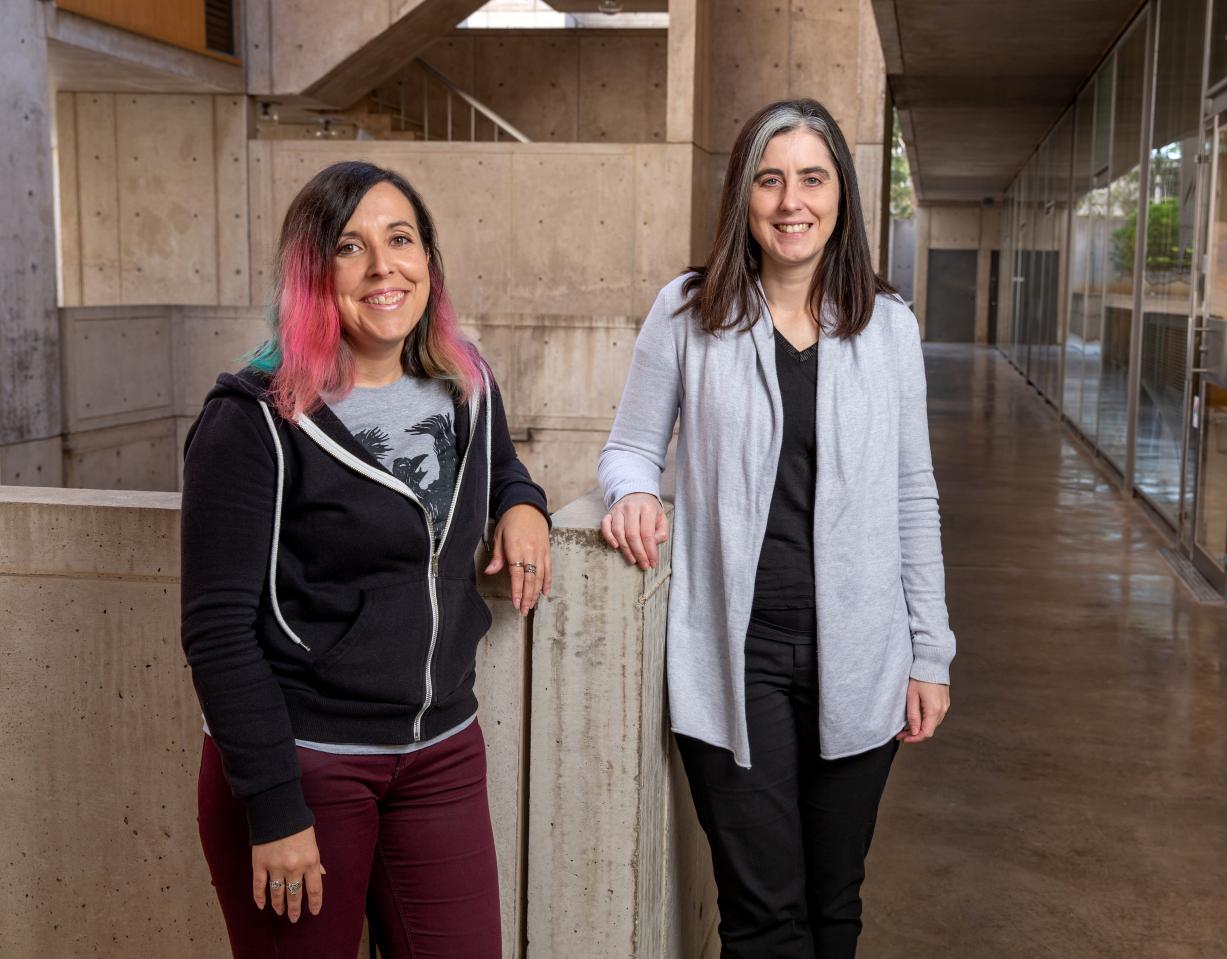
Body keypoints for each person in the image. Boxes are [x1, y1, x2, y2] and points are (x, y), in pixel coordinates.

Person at [597, 98, 955, 958]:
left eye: (813, 179)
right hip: (736, 655)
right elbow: (630, 448)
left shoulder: (889, 326)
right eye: (770, 179)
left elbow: (914, 492)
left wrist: (930, 652)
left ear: (842, 195)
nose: (792, 201)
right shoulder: (688, 311)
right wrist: (633, 492)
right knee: (762, 918)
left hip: (862, 655)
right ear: (743, 195)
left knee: (835, 903)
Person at [181, 160, 551, 958]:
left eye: (401, 239)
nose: (384, 266)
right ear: (313, 272)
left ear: (428, 259)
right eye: (350, 246)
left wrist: (523, 503)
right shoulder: (253, 417)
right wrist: (274, 805)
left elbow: (498, 467)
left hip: (442, 753)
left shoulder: (466, 380)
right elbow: (217, 631)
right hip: (307, 763)